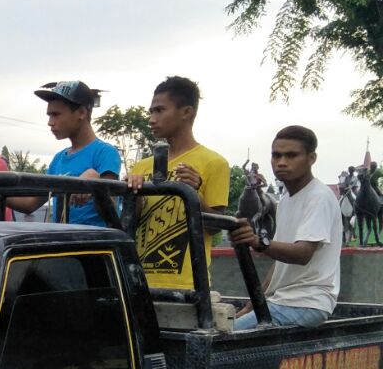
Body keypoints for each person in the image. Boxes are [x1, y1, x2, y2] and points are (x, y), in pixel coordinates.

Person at [231, 127, 342, 329]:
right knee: (225, 327)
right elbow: (281, 267)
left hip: (306, 303)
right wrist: (251, 306)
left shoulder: (319, 197)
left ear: (311, 158)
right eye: (276, 155)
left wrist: (258, 242)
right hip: (285, 301)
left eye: (291, 155)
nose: (281, 162)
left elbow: (302, 254)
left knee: (226, 339)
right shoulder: (286, 201)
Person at [127, 76, 231, 289]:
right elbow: (130, 225)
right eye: (151, 112)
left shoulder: (214, 162)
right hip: (140, 282)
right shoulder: (141, 167)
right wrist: (131, 193)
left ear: (186, 112)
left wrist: (194, 194)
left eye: (159, 110)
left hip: (189, 286)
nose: (152, 119)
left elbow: (215, 227)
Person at [20, 81, 121, 225]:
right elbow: (30, 203)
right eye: (49, 115)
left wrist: (96, 183)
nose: (50, 122)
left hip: (95, 245)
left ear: (81, 113)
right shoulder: (58, 158)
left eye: (56, 115)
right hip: (62, 243)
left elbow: (111, 212)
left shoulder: (105, 152)